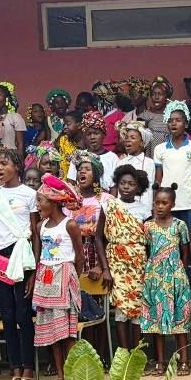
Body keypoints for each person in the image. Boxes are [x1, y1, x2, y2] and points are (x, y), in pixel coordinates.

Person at [0, 149, 38, 380]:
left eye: (4, 163)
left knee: (22, 313)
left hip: (21, 256)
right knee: (7, 315)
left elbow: (35, 234)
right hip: (0, 257)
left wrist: (33, 271)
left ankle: (28, 369)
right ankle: (15, 368)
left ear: (17, 166)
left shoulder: (29, 194)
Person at [33, 175, 84, 380]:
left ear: (53, 202)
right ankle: (60, 376)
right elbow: (38, 256)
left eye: (41, 201)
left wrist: (72, 279)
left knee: (67, 333)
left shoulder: (70, 224)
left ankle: (71, 378)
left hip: (64, 277)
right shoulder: (40, 226)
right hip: (45, 279)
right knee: (53, 332)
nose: (37, 205)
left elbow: (79, 256)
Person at [140, 185, 191, 375]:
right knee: (156, 320)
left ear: (173, 204)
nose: (160, 206)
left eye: (164, 203)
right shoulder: (148, 226)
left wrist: (180, 274)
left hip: (176, 278)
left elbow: (185, 253)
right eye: (157, 203)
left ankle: (184, 361)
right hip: (154, 278)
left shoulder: (180, 225)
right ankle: (161, 362)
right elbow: (147, 251)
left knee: (180, 319)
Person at [67, 150, 113, 360]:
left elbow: (110, 235)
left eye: (87, 169)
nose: (82, 173)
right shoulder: (69, 201)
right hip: (75, 254)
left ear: (96, 173)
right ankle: (81, 358)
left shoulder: (106, 199)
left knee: (97, 306)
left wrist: (102, 266)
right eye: (79, 170)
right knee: (78, 306)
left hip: (97, 253)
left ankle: (99, 357)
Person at [101, 165, 150, 350]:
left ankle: (136, 353)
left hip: (138, 264)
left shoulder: (145, 210)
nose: (126, 187)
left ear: (139, 187)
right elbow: (98, 238)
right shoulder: (109, 206)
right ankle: (123, 352)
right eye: (122, 183)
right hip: (116, 263)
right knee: (121, 309)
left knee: (137, 308)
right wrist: (105, 269)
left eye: (131, 184)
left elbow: (149, 241)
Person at [154, 100, 191, 230]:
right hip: (167, 203)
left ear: (186, 123)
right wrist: (156, 204)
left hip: (190, 202)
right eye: (170, 120)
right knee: (169, 237)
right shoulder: (160, 149)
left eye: (178, 120)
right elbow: (158, 180)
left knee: (188, 236)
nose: (173, 123)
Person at [67, 111, 119, 191]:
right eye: (88, 134)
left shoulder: (112, 158)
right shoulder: (78, 156)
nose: (92, 137)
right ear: (84, 136)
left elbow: (115, 187)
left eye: (96, 133)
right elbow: (71, 183)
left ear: (104, 135)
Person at [116, 120, 156, 210]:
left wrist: (149, 210)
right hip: (124, 209)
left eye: (132, 137)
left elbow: (149, 189)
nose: (128, 140)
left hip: (143, 209)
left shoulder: (149, 163)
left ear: (142, 143)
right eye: (126, 137)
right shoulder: (121, 162)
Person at [56, 110, 84, 180]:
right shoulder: (64, 140)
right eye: (64, 124)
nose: (65, 127)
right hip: (63, 180)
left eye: (68, 124)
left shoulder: (86, 143)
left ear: (79, 125)